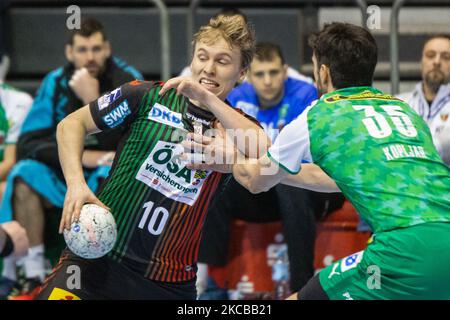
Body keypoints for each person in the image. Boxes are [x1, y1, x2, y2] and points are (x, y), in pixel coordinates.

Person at [184, 22, 450, 299]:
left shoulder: (318, 116)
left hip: (403, 249)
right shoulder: (406, 111)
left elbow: (255, 181)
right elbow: (336, 180)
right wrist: (263, 167)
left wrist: (232, 156)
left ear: (322, 72)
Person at [35, 14, 268, 300]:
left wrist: (208, 99)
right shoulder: (147, 97)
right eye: (202, 57)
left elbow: (264, 152)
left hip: (166, 284)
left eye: (222, 61)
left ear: (241, 73)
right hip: (97, 261)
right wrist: (76, 184)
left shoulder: (237, 128)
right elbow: (71, 124)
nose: (208, 68)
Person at [0, 18, 143, 299]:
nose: (89, 57)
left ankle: (99, 274)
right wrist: (85, 157)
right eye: (82, 50)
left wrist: (94, 99)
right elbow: (29, 143)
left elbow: (136, 141)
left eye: (96, 48)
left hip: (108, 172)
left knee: (109, 174)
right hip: (64, 172)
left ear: (108, 49)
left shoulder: (128, 81)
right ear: (69, 52)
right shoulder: (55, 82)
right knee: (25, 172)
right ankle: (32, 275)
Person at [197, 42, 324, 298]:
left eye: (273, 72)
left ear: (285, 71)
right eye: (260, 74)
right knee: (215, 178)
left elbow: (300, 160)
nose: (267, 81)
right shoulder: (237, 98)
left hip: (302, 189)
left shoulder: (306, 95)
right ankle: (213, 284)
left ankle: (300, 289)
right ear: (248, 75)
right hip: (257, 189)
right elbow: (228, 150)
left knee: (288, 185)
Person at [398, 35, 450, 166]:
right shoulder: (398, 103)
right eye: (430, 55)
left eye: (446, 57)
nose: (437, 61)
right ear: (421, 62)